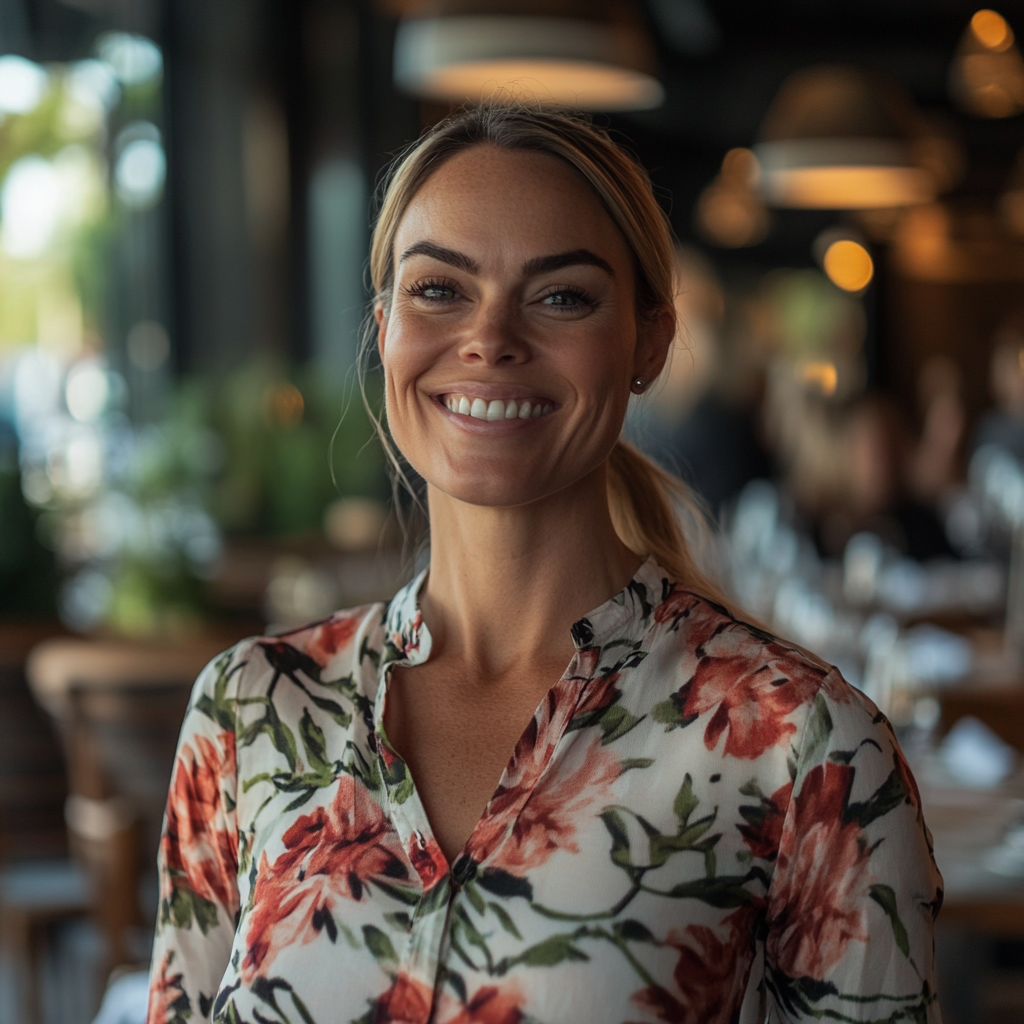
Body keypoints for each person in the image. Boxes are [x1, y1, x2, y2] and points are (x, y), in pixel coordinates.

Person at [147, 105, 942, 1024]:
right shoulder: (247, 713)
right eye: (439, 289)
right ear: (383, 329)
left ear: (649, 341)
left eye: (562, 295)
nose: (490, 337)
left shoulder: (809, 751)